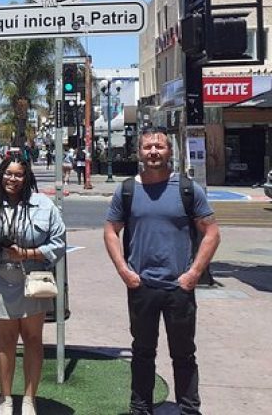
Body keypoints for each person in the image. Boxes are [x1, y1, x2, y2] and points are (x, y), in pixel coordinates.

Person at [103, 127, 220, 415]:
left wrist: (193, 274)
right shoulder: (128, 190)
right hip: (141, 287)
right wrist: (124, 271)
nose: (153, 151)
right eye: (147, 147)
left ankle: (189, 409)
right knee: (142, 353)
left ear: (170, 151)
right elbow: (110, 231)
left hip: (179, 288)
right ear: (139, 152)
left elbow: (212, 233)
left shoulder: (187, 189)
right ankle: (140, 408)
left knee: (184, 354)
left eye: (159, 146)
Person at [0, 154, 66, 415]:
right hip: (1, 281)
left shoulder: (43, 205)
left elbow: (58, 243)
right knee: (6, 341)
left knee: (34, 340)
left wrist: (27, 254)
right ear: (0, 174)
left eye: (19, 174)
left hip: (33, 282)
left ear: (27, 178)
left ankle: (28, 400)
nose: (12, 179)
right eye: (8, 173)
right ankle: (5, 399)